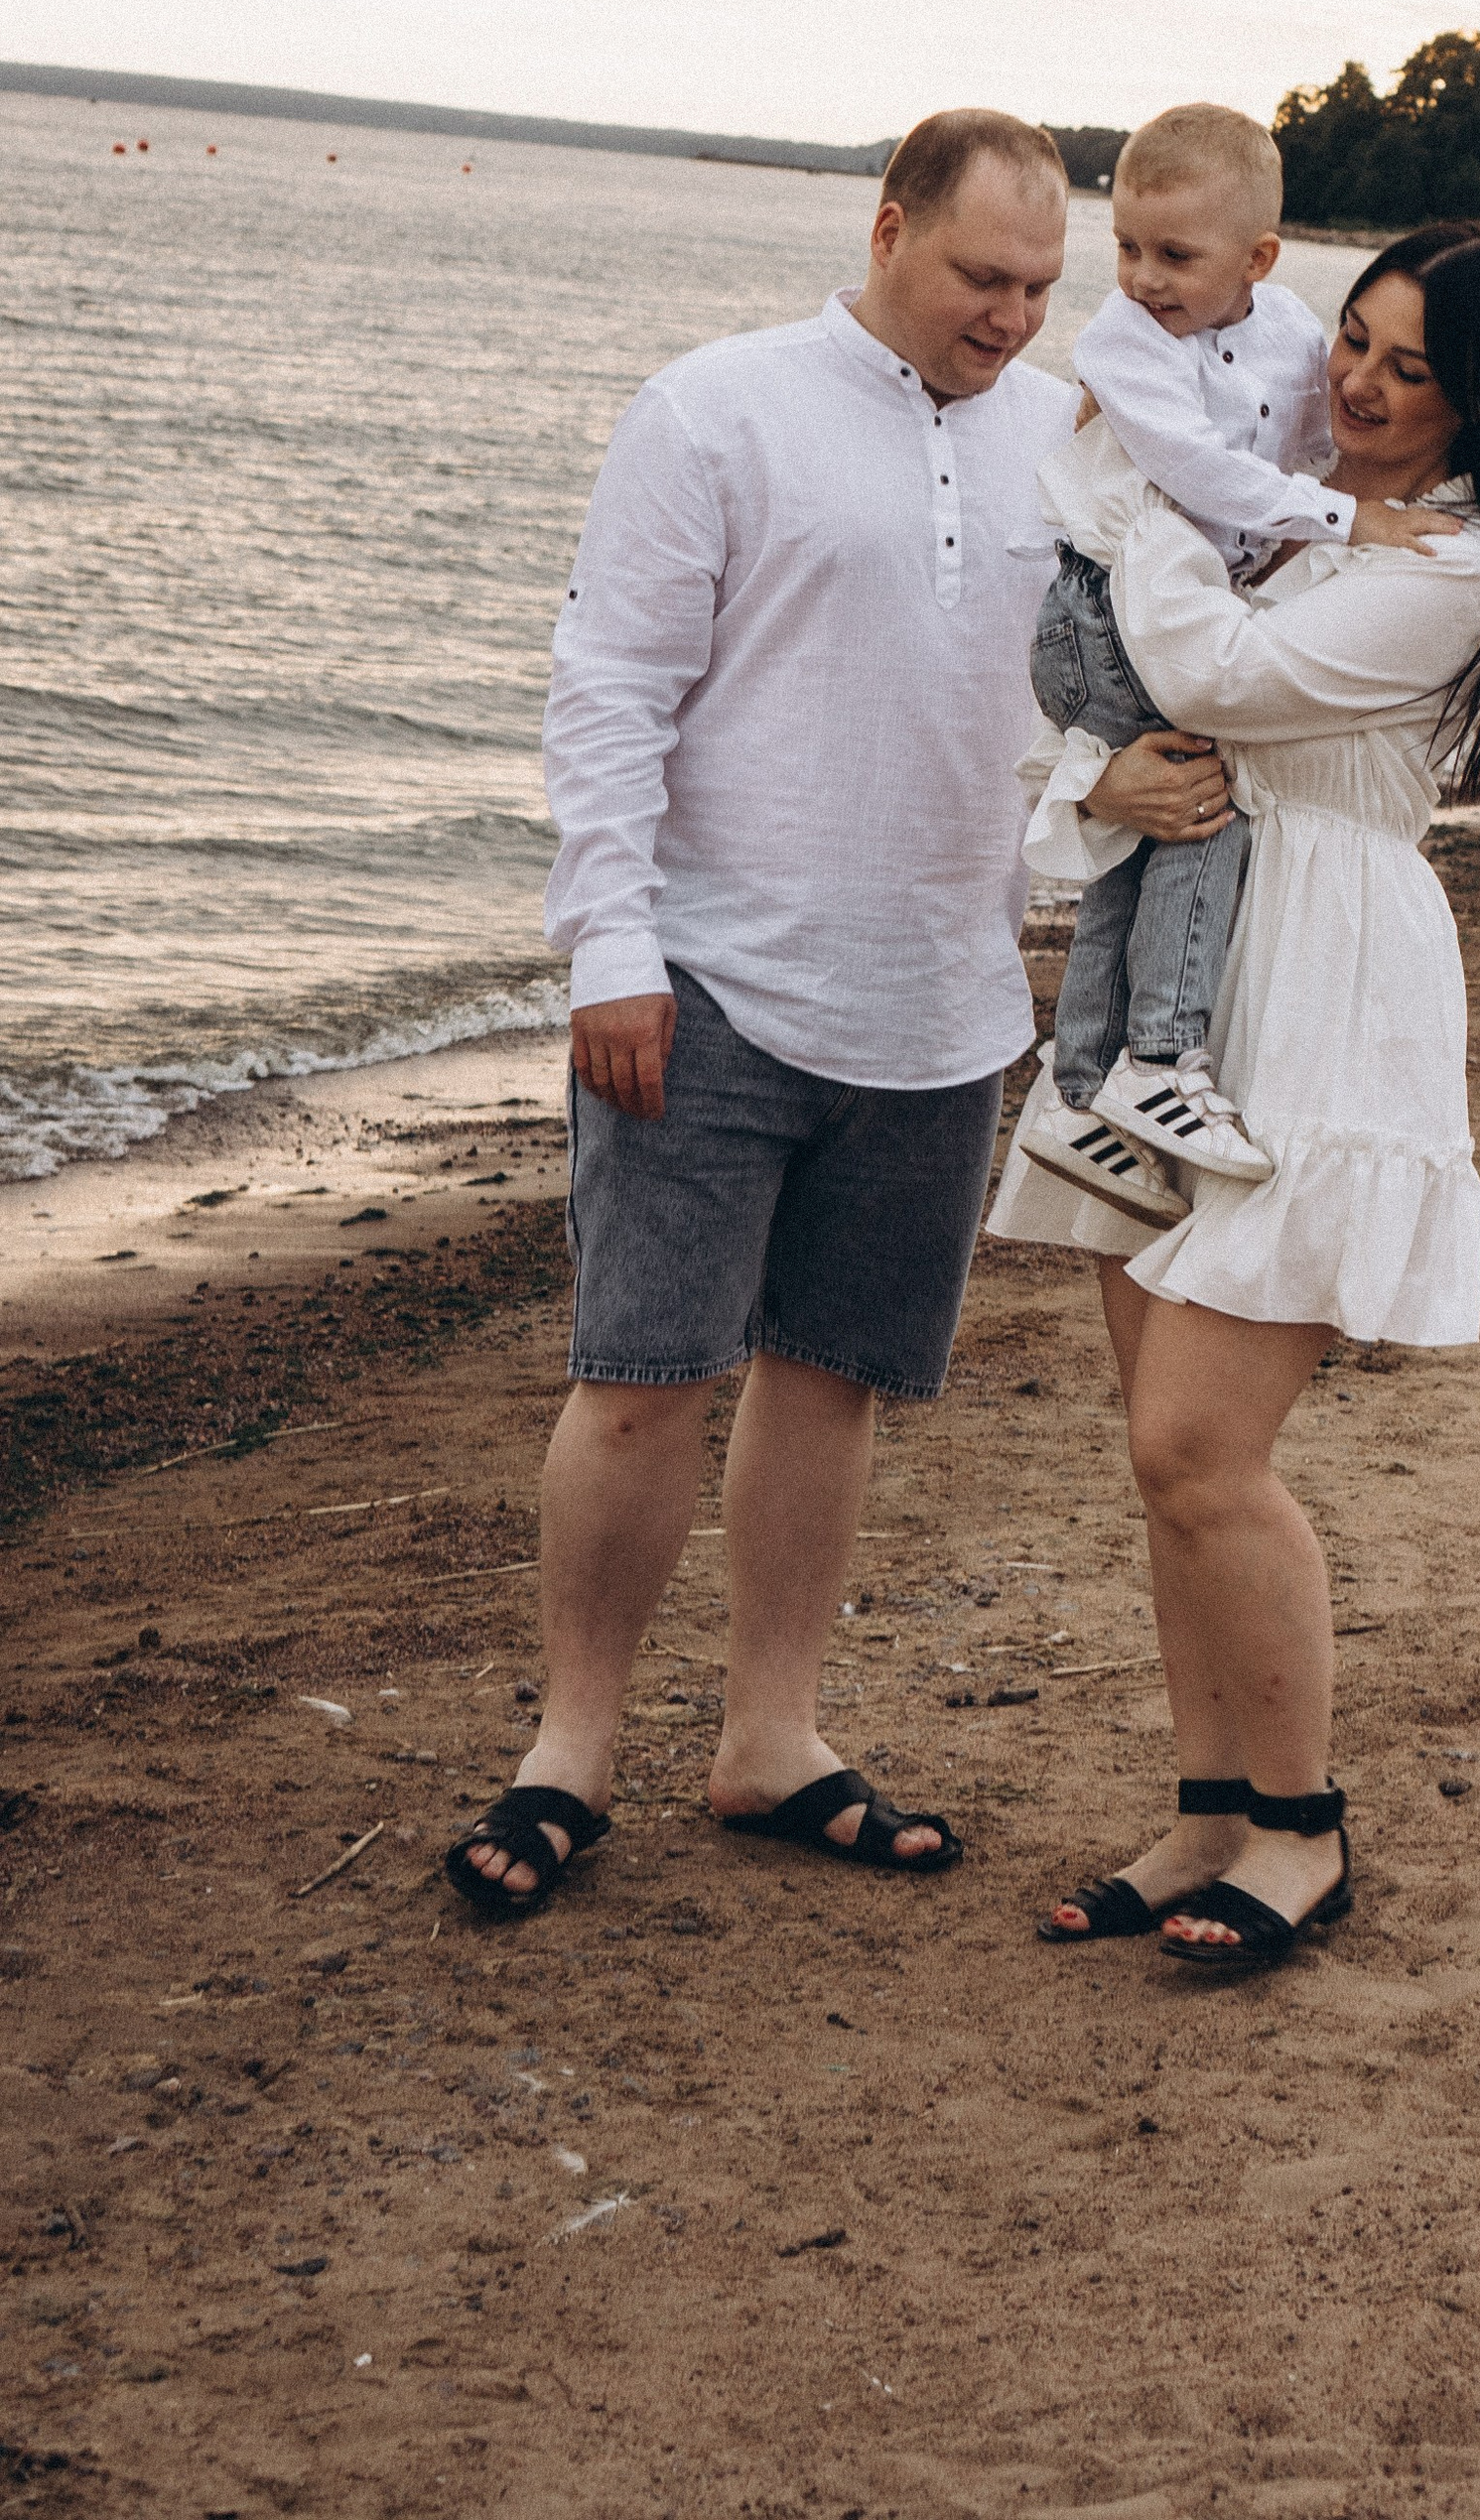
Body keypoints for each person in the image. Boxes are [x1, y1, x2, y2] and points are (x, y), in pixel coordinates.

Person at [446, 110, 1114, 1920]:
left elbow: (1139, 659)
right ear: (889, 227)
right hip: (710, 982)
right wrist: (609, 950)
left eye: (1045, 288)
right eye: (983, 276)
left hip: (949, 999)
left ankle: (774, 1740)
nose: (1012, 318)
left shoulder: (1071, 439)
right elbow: (608, 691)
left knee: (833, 1385)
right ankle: (571, 1746)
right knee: (644, 1378)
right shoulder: (716, 408)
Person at [992, 222, 1480, 1974]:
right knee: (1159, 1457)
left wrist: (1143, 489)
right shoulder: (1293, 494)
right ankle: (1211, 1807)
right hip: (1182, 954)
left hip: (1323, 985)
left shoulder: (1454, 559)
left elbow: (1222, 678)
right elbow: (1133, 703)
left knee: (1199, 1445)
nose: (1363, 387)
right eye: (1354, 346)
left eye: (1410, 368)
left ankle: (1302, 1830)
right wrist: (1110, 787)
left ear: (1478, 403)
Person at [1021, 103, 1455, 1225]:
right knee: (1197, 792)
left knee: (1163, 818)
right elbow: (1204, 478)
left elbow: (1313, 428)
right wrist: (1346, 523)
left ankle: (1084, 1085)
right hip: (1098, 614)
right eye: (1124, 246)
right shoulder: (1121, 343)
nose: (1141, 277)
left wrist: (1343, 503)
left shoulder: (1291, 332)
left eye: (1174, 255)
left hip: (1155, 603)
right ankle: (1147, 1061)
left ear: (1259, 258)